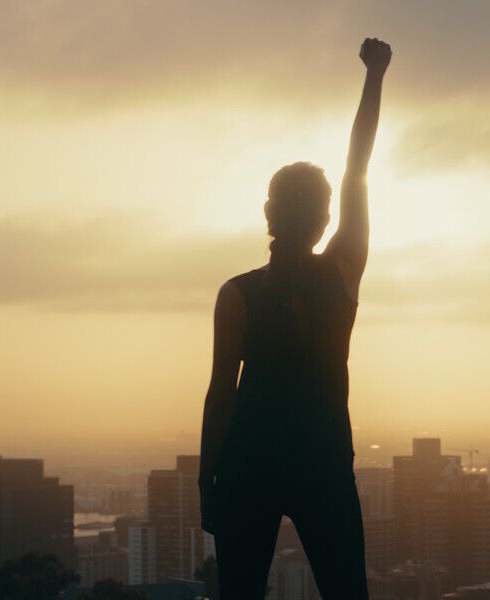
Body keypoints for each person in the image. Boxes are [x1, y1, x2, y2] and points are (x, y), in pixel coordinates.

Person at [198, 37, 391, 599]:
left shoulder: (236, 295)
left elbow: (221, 396)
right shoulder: (343, 270)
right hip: (323, 460)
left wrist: (206, 483)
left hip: (248, 464)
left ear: (267, 213)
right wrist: (375, 75)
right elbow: (357, 170)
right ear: (326, 219)